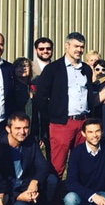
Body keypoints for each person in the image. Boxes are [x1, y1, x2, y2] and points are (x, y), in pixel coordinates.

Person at [39, 32, 96, 176]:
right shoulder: (53, 69)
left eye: (82, 47)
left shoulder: (86, 69)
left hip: (83, 122)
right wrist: (53, 117)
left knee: (83, 163)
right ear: (67, 46)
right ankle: (54, 197)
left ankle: (78, 195)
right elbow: (41, 98)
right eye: (76, 46)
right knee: (57, 166)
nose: (79, 50)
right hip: (62, 123)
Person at [0, 112, 56, 205]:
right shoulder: (0, 147)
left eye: (25, 128)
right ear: (8, 129)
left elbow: (43, 165)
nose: (22, 132)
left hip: (25, 184)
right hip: (7, 191)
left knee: (51, 180)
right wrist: (17, 196)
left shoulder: (30, 141)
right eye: (17, 128)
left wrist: (34, 182)